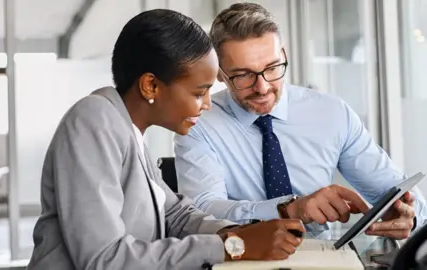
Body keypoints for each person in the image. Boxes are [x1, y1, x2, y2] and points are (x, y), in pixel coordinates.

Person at [27, 9, 306, 270]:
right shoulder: (94, 120)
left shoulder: (128, 131)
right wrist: (233, 245)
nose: (207, 104)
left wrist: (242, 233)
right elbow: (104, 259)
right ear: (151, 85)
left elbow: (177, 215)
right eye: (198, 93)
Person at [174, 2, 427, 240]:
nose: (262, 88)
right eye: (243, 75)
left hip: (327, 259)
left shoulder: (331, 113)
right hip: (242, 260)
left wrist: (409, 216)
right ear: (219, 73)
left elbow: (398, 192)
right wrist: (288, 210)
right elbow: (202, 213)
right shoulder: (198, 123)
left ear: (283, 54)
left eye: (272, 68)